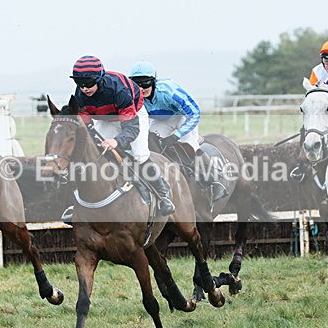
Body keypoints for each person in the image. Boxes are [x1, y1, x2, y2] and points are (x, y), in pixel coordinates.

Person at [70, 55, 175, 216]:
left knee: (140, 154)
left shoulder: (119, 90)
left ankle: (163, 194)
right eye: (79, 83)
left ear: (100, 79)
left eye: (89, 83)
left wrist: (117, 141)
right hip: (105, 119)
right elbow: (87, 125)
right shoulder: (80, 95)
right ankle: (79, 201)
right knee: (93, 153)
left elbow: (131, 128)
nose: (84, 88)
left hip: (133, 115)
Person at [128, 60, 226, 201]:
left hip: (182, 117)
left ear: (154, 81)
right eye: (137, 84)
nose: (141, 88)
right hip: (161, 120)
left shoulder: (169, 91)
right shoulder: (133, 97)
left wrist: (177, 136)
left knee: (190, 145)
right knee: (149, 145)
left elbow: (194, 113)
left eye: (145, 83)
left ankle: (216, 181)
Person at [290, 39, 328, 182]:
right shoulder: (316, 71)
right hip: (324, 112)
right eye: (325, 62)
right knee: (307, 129)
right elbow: (313, 98)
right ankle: (303, 164)